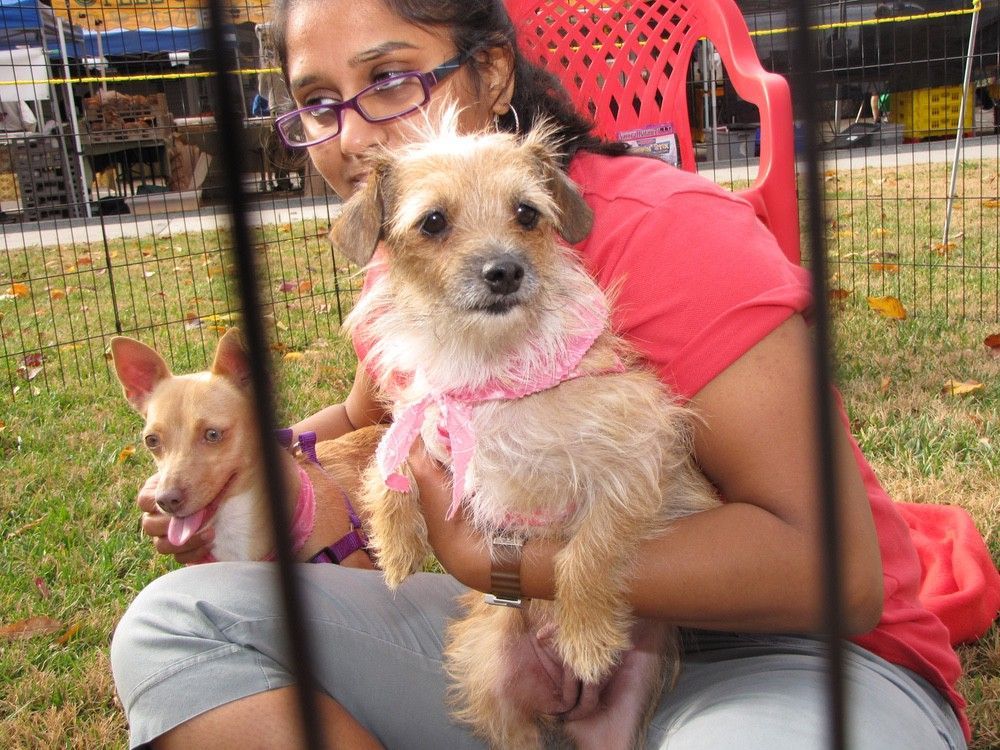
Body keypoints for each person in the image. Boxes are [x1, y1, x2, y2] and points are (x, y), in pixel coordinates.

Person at [109, 1, 971, 748]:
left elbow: (837, 575)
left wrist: (506, 562)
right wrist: (249, 463)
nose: (356, 133)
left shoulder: (668, 233)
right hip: (531, 643)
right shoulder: (410, 269)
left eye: (390, 79)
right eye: (319, 103)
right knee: (174, 626)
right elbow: (367, 412)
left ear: (488, 73)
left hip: (786, 655)